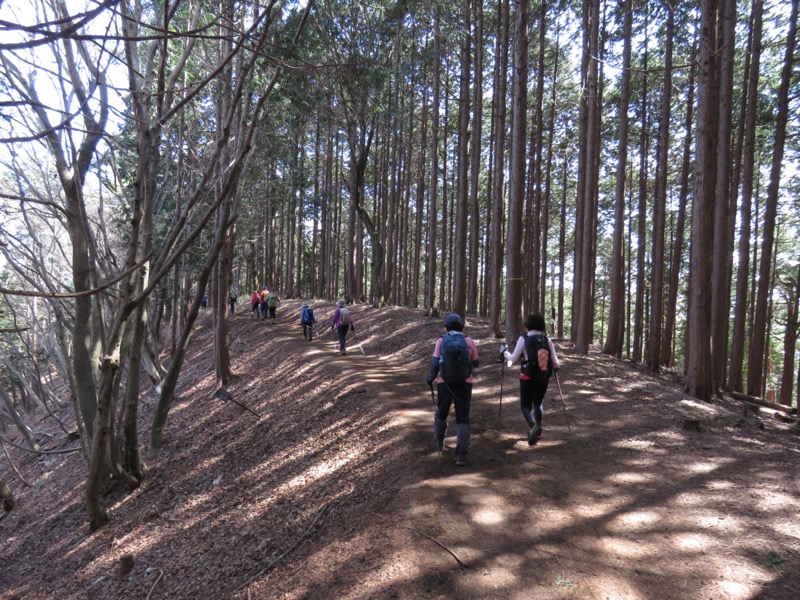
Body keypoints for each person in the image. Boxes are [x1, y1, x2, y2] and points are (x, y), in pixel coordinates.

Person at [426, 313, 479, 466]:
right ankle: (461, 455)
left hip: (444, 383)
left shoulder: (441, 341)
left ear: (446, 327)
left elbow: (435, 363)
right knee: (463, 416)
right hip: (465, 382)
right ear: (462, 326)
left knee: (442, 412)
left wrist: (430, 378)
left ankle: (438, 442)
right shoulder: (468, 341)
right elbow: (476, 363)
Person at [501, 313, 560, 446]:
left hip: (527, 376)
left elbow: (514, 358)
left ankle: (533, 426)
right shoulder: (547, 340)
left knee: (525, 406)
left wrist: (505, 353)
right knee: (538, 403)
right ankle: (537, 432)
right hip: (544, 376)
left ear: (528, 324)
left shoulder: (524, 338)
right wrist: (555, 368)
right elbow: (555, 362)